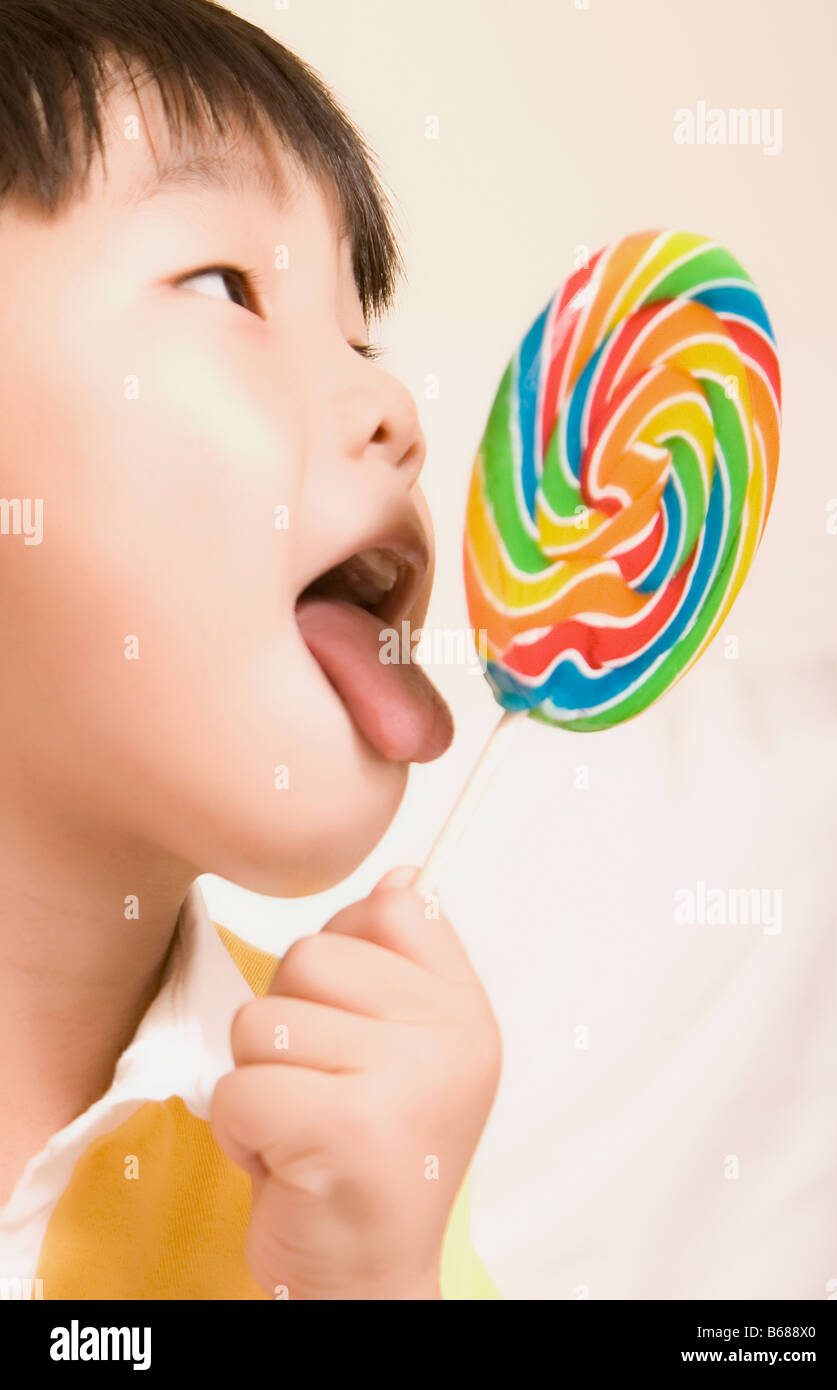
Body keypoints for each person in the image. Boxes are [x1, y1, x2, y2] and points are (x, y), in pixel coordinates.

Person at [0, 0, 502, 1300]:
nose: (393, 408)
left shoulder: (353, 1130)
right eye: (228, 286)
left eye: (357, 333)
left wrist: (376, 1280)